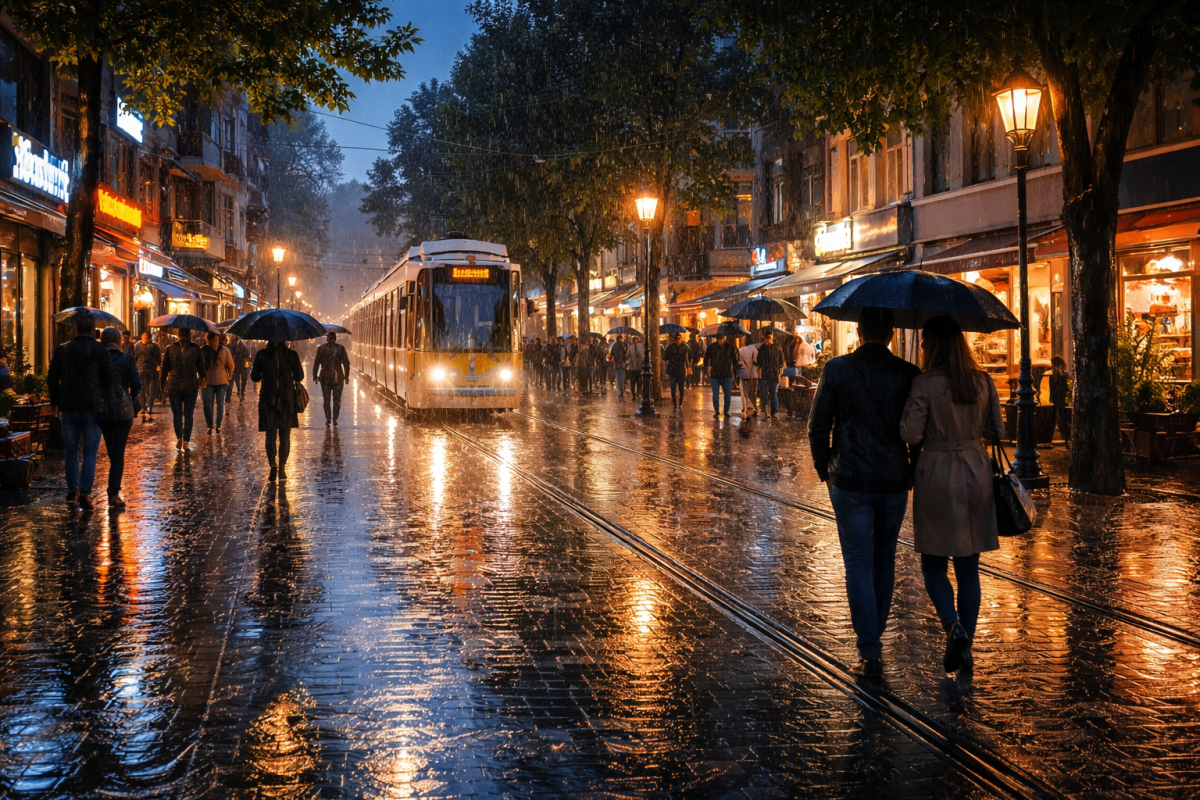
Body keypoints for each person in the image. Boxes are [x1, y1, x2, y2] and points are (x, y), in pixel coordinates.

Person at [808, 307, 920, 679]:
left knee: (858, 564)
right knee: (884, 560)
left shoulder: (837, 370)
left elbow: (818, 425)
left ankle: (869, 650)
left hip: (850, 479)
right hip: (892, 479)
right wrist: (912, 470)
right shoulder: (907, 374)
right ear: (890, 334)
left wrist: (826, 468)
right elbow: (917, 431)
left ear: (857, 332)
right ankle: (874, 639)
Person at [900, 316, 1004, 676]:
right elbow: (997, 430)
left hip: (937, 473)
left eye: (926, 341)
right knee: (969, 567)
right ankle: (967, 646)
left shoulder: (924, 383)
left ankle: (953, 627)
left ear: (936, 345)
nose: (924, 347)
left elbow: (911, 434)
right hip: (977, 473)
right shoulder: (983, 381)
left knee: (933, 564)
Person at [47, 313, 113, 511]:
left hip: (68, 406)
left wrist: (55, 402)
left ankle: (71, 492)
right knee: (90, 451)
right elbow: (109, 380)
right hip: (93, 407)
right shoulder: (101, 350)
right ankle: (84, 492)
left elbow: (52, 377)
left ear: (76, 329)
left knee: (71, 451)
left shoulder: (62, 350)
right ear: (93, 330)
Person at [97, 326, 142, 509]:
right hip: (123, 411)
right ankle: (113, 493)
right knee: (118, 454)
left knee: (112, 452)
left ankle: (112, 490)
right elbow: (136, 384)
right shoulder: (127, 358)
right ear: (119, 341)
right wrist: (131, 396)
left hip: (102, 409)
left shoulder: (98, 359)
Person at [251, 340, 304, 481]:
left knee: (270, 436)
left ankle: (272, 466)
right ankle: (282, 468)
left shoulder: (262, 355)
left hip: (269, 399)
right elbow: (300, 376)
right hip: (286, 400)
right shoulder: (291, 355)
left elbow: (254, 377)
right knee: (285, 437)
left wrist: (266, 373)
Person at [161, 328, 206, 450]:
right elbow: (201, 367)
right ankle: (186, 441)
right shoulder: (196, 349)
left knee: (177, 414)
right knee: (188, 414)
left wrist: (162, 385)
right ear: (190, 335)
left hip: (174, 384)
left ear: (178, 336)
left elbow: (164, 368)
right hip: (190, 385)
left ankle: (179, 437)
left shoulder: (170, 348)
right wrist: (203, 378)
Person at [313, 331, 351, 426]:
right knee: (337, 399)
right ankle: (335, 419)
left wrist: (315, 376)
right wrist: (346, 376)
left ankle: (328, 418)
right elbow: (346, 363)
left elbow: (316, 363)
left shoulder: (321, 349)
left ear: (327, 339)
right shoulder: (341, 348)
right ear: (335, 339)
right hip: (338, 377)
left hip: (325, 377)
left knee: (326, 399)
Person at [201, 332, 234, 435]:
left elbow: (199, 365)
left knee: (208, 404)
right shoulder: (225, 350)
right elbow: (231, 365)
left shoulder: (204, 350)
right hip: (220, 380)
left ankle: (210, 425)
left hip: (209, 379)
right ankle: (217, 425)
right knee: (219, 403)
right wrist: (230, 376)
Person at [704, 332, 739, 418]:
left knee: (727, 395)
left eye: (722, 338)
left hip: (727, 374)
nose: (720, 340)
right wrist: (707, 368)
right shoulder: (712, 347)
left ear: (725, 338)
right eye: (719, 339)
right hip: (715, 374)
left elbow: (734, 361)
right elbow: (706, 358)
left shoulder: (730, 347)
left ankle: (726, 411)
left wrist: (736, 372)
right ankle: (717, 411)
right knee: (715, 395)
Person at [755, 330, 786, 419]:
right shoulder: (763, 348)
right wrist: (759, 374)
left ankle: (772, 413)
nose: (768, 339)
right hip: (767, 374)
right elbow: (759, 362)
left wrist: (780, 374)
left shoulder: (777, 348)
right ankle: (768, 412)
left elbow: (781, 363)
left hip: (772, 374)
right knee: (766, 394)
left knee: (773, 394)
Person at [133, 331, 162, 420]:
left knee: (152, 389)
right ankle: (143, 406)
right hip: (140, 369)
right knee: (140, 389)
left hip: (152, 370)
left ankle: (149, 406)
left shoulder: (154, 346)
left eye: (146, 337)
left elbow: (158, 358)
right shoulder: (137, 346)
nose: (144, 339)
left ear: (149, 338)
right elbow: (135, 357)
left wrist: (159, 366)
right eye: (143, 337)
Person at [664, 333, 692, 410]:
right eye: (676, 339)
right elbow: (665, 358)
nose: (677, 341)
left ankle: (680, 403)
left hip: (681, 371)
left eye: (679, 339)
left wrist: (688, 367)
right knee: (673, 389)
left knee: (681, 388)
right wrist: (667, 368)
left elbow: (688, 358)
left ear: (681, 339)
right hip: (673, 371)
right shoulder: (670, 347)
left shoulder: (685, 347)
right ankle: (675, 404)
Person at [1049, 354, 1070, 441]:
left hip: (1056, 399)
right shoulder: (1064, 375)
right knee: (1062, 416)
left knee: (1056, 415)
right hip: (1062, 399)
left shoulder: (1054, 375)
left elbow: (1053, 387)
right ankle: (1064, 433)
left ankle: (1059, 432)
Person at [737, 338, 760, 416]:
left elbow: (737, 361)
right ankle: (753, 406)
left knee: (743, 391)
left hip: (743, 372)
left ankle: (745, 407)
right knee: (752, 391)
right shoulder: (754, 349)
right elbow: (757, 361)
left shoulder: (740, 350)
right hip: (752, 373)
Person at [229, 335, 251, 399]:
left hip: (236, 363)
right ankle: (242, 390)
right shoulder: (244, 346)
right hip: (243, 363)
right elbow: (246, 354)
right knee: (243, 377)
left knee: (237, 377)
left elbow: (232, 354)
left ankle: (239, 389)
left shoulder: (234, 346)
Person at [628, 335, 645, 399]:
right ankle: (638, 393)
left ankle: (634, 395)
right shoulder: (641, 346)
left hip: (633, 368)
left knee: (633, 382)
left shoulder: (630, 347)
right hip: (639, 368)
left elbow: (627, 355)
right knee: (639, 382)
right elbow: (644, 355)